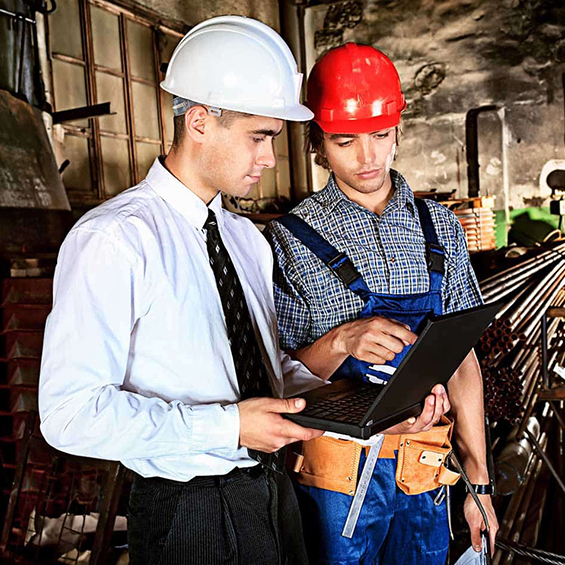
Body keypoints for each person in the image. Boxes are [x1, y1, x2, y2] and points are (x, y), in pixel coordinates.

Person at [38, 16, 326, 565]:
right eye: (259, 136)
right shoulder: (115, 239)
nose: (269, 157)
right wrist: (227, 426)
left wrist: (356, 394)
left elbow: (258, 373)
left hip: (271, 491)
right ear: (199, 122)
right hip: (188, 510)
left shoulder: (246, 240)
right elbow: (70, 414)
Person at [265, 43, 499, 565]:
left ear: (398, 131)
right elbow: (280, 380)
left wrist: (479, 484)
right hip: (336, 483)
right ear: (317, 144)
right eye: (345, 141)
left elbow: (461, 359)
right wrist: (342, 339)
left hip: (426, 471)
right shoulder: (288, 240)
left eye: (380, 136)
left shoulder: (439, 226)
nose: (367, 157)